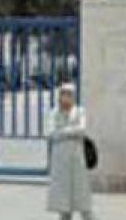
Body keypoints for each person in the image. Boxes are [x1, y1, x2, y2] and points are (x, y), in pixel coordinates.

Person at [47, 83, 95, 220]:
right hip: (61, 161)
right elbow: (51, 134)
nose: (66, 98)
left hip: (76, 159)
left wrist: (63, 131)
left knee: (82, 197)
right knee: (63, 201)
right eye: (63, 94)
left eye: (69, 95)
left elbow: (82, 130)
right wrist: (71, 131)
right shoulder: (54, 113)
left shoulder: (79, 111)